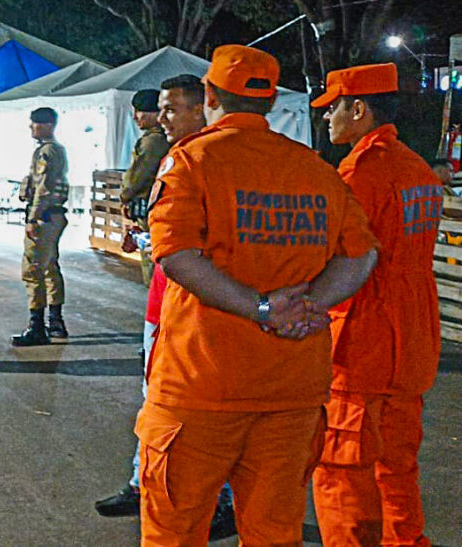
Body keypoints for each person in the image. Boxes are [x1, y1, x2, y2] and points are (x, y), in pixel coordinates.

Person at [140, 45, 380, 544]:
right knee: (274, 532)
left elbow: (176, 255)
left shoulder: (191, 160)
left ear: (210, 96)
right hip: (292, 388)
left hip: (201, 384)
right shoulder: (315, 169)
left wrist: (263, 308)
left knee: (174, 532)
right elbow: (360, 256)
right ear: (269, 102)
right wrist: (308, 305)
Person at [95, 74, 236, 538]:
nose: (162, 118)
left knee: (206, 410)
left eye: (172, 109)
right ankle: (143, 484)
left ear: (203, 107)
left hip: (195, 308)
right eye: (160, 109)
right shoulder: (182, 157)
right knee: (153, 399)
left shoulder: (208, 161)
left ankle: (220, 500)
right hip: (163, 302)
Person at [308, 63, 443, 546]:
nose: (326, 118)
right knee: (397, 466)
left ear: (359, 109)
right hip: (413, 338)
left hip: (364, 340)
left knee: (341, 470)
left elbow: (337, 256)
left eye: (333, 108)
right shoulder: (417, 168)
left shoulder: (360, 173)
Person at [12, 107, 69, 347]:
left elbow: (43, 187)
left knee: (33, 269)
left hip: (44, 216)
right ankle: (55, 321)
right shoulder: (55, 149)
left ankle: (37, 327)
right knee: (49, 267)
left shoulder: (46, 152)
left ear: (48, 125)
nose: (31, 127)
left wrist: (33, 218)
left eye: (35, 123)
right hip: (53, 215)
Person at [120, 90, 169, 221]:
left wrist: (125, 197)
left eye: (139, 111)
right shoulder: (161, 137)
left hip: (150, 211)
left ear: (155, 113)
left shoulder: (153, 141)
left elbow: (137, 177)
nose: (134, 117)